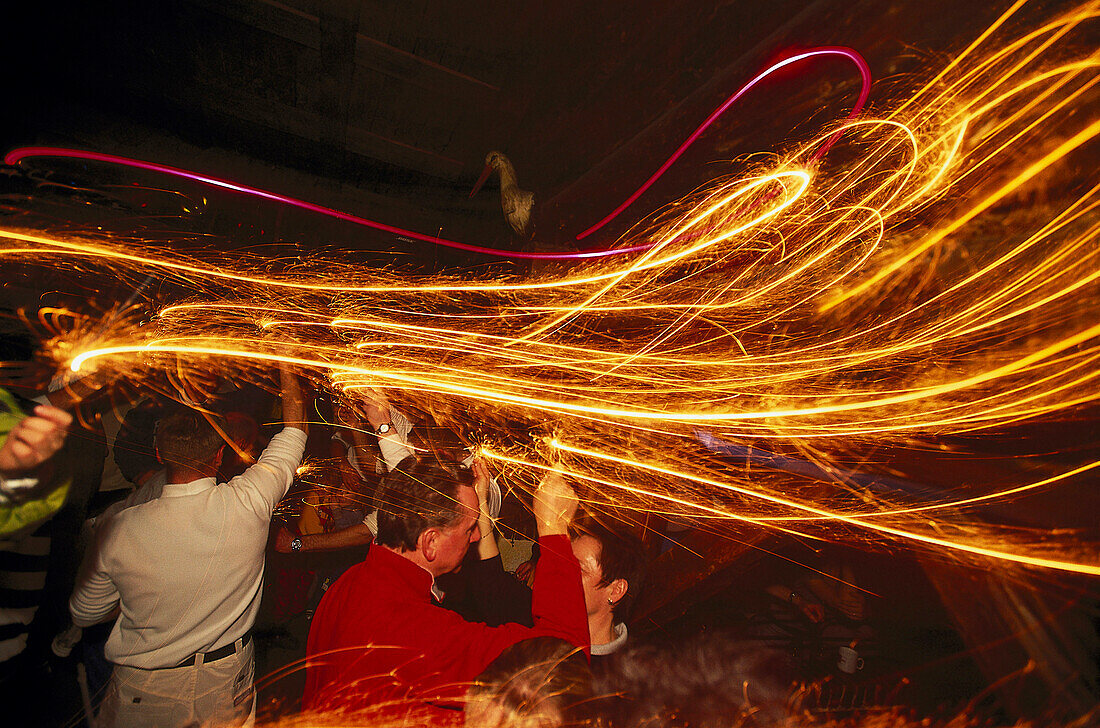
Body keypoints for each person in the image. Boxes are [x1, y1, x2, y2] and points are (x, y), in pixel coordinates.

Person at [68, 367, 309, 728]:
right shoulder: (250, 501)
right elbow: (295, 433)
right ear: (217, 457)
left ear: (159, 453)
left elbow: (83, 614)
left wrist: (143, 597)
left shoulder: (117, 528)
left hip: (148, 687)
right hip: (227, 679)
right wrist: (288, 365)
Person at [302, 460, 588, 722]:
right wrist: (553, 527)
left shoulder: (352, 580)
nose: (476, 536)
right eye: (469, 529)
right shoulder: (413, 629)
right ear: (430, 544)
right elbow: (565, 661)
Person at [571, 523, 646, 665]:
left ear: (616, 590)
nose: (561, 574)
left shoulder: (628, 673)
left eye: (578, 569)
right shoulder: (542, 642)